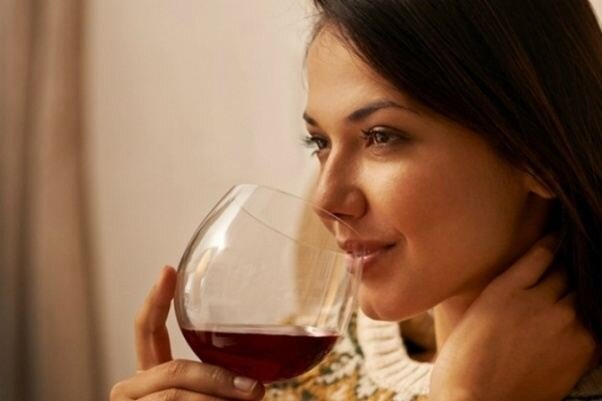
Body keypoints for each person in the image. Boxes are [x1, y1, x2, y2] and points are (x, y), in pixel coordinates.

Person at [109, 0, 602, 400]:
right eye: (319, 142)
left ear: (539, 157)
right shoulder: (306, 371)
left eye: (381, 136)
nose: (325, 199)